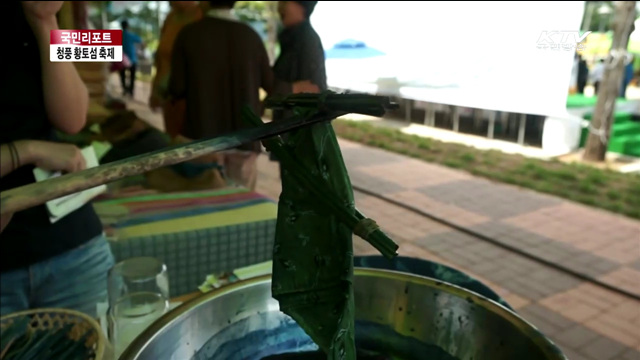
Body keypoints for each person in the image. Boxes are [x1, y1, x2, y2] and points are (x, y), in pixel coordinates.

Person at [0, 1, 114, 318]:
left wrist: (44, 21)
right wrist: (26, 150)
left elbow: (73, 118)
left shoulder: (28, 12)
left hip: (70, 242)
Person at [168, 0, 318, 190]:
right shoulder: (250, 36)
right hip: (244, 138)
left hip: (202, 137)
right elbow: (271, 84)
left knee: (205, 206)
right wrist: (295, 87)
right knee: (241, 204)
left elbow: (176, 88)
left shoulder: (189, 33)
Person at [269, 1, 326, 172]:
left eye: (286, 2)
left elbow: (311, 90)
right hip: (291, 131)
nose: (280, 7)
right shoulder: (293, 37)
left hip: (300, 134)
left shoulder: (305, 40)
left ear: (300, 7)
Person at [149, 1, 202, 114]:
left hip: (192, 94)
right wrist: (155, 90)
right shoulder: (171, 17)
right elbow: (160, 56)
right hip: (168, 93)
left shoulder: (202, 15)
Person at [120, 19, 143, 97]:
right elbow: (140, 40)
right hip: (132, 59)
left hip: (122, 60)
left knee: (122, 75)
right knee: (132, 76)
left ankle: (124, 89)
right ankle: (131, 90)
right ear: (128, 26)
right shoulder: (131, 35)